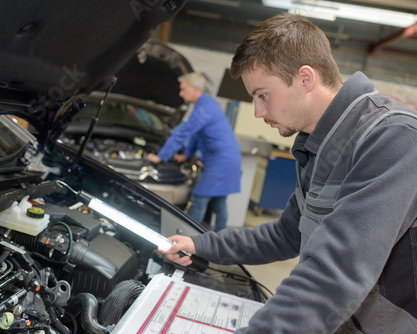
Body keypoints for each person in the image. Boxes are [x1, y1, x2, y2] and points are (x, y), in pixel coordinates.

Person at [160, 13, 417, 333]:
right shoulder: (316, 147)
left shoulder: (394, 137)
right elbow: (286, 234)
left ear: (305, 78)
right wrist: (203, 245)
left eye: (262, 95)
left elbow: (334, 273)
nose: (258, 112)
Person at [147, 72, 241, 232]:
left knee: (199, 199)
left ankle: (187, 238)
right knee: (219, 202)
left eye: (183, 89)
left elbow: (184, 132)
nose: (180, 93)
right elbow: (197, 134)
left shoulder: (205, 107)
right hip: (227, 159)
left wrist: (160, 157)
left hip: (221, 161)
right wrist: (187, 155)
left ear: (194, 88)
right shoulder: (205, 104)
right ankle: (221, 238)